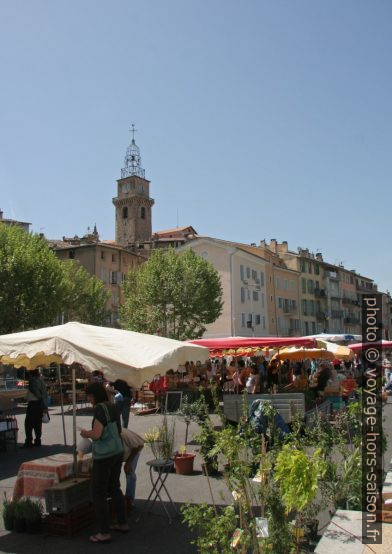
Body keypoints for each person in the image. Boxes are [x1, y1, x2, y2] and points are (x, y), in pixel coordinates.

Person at [80, 383, 128, 543]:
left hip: (104, 454)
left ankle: (103, 532)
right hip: (117, 450)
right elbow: (119, 430)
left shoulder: (100, 409)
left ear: (94, 395)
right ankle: (122, 522)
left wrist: (85, 433)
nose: (88, 399)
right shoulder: (112, 406)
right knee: (114, 487)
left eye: (89, 396)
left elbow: (97, 434)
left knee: (98, 492)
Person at [24, 369, 48, 448]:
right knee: (37, 423)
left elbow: (36, 392)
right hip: (40, 404)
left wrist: (39, 398)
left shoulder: (33, 381)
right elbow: (44, 394)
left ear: (31, 374)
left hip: (33, 404)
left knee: (28, 424)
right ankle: (38, 440)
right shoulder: (41, 381)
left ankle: (29, 441)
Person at [121, 428, 144, 511]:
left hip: (134, 450)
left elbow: (139, 445)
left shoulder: (123, 435)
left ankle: (130, 499)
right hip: (120, 453)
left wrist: (129, 462)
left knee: (129, 472)